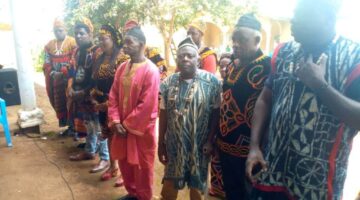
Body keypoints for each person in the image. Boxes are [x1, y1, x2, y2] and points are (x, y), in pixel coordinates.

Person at [246, 0, 360, 199]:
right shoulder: (284, 52)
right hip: (271, 172)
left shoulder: (353, 58)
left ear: (328, 19)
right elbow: (265, 98)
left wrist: (319, 84)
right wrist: (254, 146)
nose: (293, 19)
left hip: (318, 184)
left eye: (302, 14)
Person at [158, 37, 222, 200]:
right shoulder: (168, 83)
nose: (185, 59)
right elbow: (163, 114)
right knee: (169, 188)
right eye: (181, 56)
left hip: (199, 146)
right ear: (177, 59)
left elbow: (216, 113)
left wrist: (210, 140)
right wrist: (161, 143)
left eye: (190, 56)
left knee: (197, 187)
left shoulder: (212, 82)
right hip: (174, 145)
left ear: (198, 60)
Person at [216, 14, 271, 200]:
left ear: (257, 40)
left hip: (250, 152)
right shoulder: (233, 64)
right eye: (234, 39)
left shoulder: (268, 66)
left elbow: (269, 108)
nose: (236, 44)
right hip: (225, 146)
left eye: (242, 40)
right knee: (231, 193)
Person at [108, 26, 160, 200]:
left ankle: (143, 196)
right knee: (125, 163)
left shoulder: (151, 71)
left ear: (142, 45)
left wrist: (125, 125)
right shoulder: (122, 67)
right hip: (121, 128)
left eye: (129, 42)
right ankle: (132, 193)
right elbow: (113, 95)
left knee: (142, 166)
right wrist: (115, 121)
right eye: (124, 42)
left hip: (141, 131)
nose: (125, 46)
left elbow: (147, 105)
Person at [67, 17, 110, 174]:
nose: (78, 36)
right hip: (79, 94)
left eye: (82, 33)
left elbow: (98, 77)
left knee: (99, 125)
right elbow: (72, 71)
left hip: (93, 95)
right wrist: (71, 88)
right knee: (89, 124)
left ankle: (105, 158)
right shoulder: (77, 51)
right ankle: (90, 150)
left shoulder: (98, 52)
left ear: (89, 33)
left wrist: (83, 93)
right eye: (76, 33)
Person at [91, 24, 129, 185]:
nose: (101, 42)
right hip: (100, 103)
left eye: (104, 38)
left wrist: (109, 103)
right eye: (99, 39)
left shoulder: (122, 58)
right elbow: (95, 81)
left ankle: (124, 172)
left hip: (115, 104)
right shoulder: (99, 57)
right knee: (108, 135)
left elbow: (124, 85)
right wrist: (93, 97)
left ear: (112, 38)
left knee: (120, 138)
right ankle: (112, 167)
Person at [43, 18, 77, 134]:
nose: (58, 32)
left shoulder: (73, 42)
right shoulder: (49, 45)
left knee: (71, 102)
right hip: (56, 80)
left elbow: (75, 59)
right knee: (60, 103)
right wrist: (52, 72)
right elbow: (47, 62)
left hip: (70, 79)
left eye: (60, 30)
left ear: (65, 30)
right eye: (56, 31)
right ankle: (69, 127)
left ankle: (75, 128)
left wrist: (65, 71)